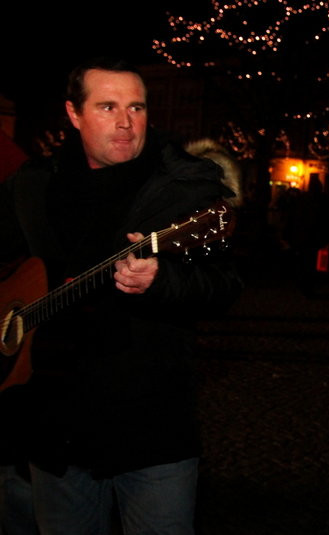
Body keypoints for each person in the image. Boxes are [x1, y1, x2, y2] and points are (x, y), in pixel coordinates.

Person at [0, 58, 242, 534]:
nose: (126, 122)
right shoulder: (35, 185)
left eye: (137, 107)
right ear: (73, 113)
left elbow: (226, 285)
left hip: (149, 428)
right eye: (107, 107)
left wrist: (163, 281)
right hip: (54, 426)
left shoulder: (184, 185)